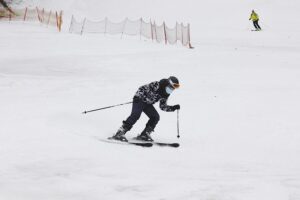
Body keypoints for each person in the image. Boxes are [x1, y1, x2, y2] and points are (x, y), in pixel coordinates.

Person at [112, 76, 181, 142]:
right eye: (171, 87)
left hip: (148, 104)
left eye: (173, 88)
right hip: (139, 100)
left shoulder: (165, 94)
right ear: (168, 83)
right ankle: (120, 133)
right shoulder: (157, 85)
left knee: (155, 117)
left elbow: (162, 106)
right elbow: (142, 88)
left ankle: (145, 134)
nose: (172, 89)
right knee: (136, 115)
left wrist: (173, 108)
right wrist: (138, 96)